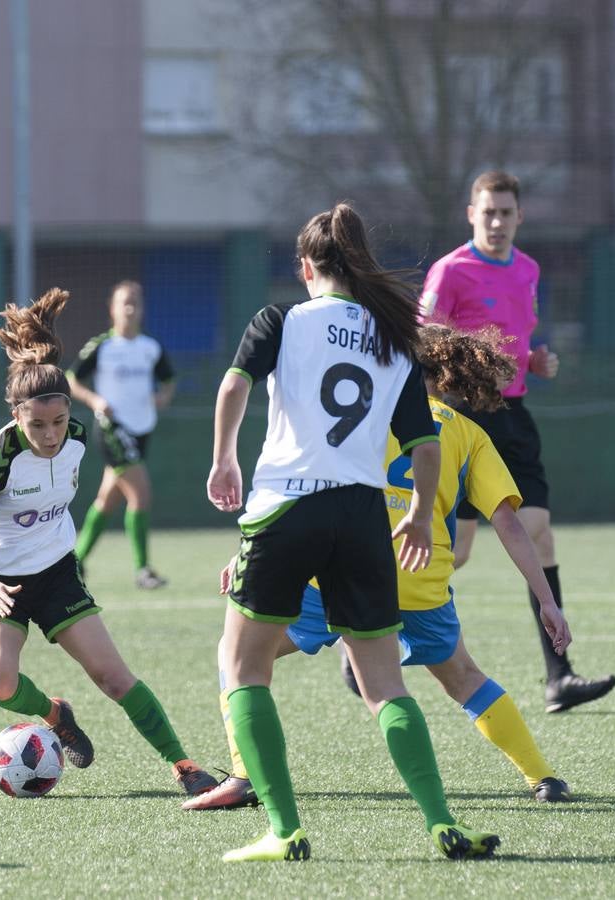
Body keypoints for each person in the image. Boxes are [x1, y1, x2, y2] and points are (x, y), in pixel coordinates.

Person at [205, 203, 498, 862]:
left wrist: (224, 457)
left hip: (286, 507)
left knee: (242, 666)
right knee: (384, 685)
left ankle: (285, 829)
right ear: (356, 264)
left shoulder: (279, 320)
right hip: (364, 516)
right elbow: (426, 447)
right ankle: (441, 823)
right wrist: (420, 515)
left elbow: (232, 387)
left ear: (305, 267)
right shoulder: (392, 337)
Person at [187, 324, 573, 815]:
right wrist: (546, 599)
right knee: (463, 678)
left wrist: (251, 552)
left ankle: (245, 774)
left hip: (334, 569)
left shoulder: (369, 416)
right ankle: (543, 776)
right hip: (419, 580)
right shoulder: (469, 433)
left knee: (237, 655)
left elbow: (307, 488)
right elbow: (509, 524)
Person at [0, 287, 218, 797]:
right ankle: (55, 714)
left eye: (58, 421)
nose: (50, 435)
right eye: (36, 425)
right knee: (0, 685)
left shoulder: (77, 438)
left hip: (55, 573)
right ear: (15, 415)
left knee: (115, 678)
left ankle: (184, 765)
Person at [422, 170, 615, 714]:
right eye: (489, 212)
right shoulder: (451, 271)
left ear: (519, 217)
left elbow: (515, 340)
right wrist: (455, 386)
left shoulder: (528, 270)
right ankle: (361, 632)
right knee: (454, 552)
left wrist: (534, 361)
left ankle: (559, 677)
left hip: (513, 416)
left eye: (507, 212)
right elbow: (424, 342)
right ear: (471, 214)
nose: (498, 222)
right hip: (463, 418)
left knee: (538, 532)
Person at [67, 281, 177, 589]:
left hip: (141, 431)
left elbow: (169, 380)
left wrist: (163, 396)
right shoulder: (102, 346)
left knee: (107, 500)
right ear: (112, 308)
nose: (129, 308)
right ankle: (143, 570)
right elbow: (72, 378)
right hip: (112, 430)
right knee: (141, 495)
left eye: (135, 303)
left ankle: (74, 562)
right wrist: (95, 400)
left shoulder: (149, 348)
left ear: (142, 310)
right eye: (124, 303)